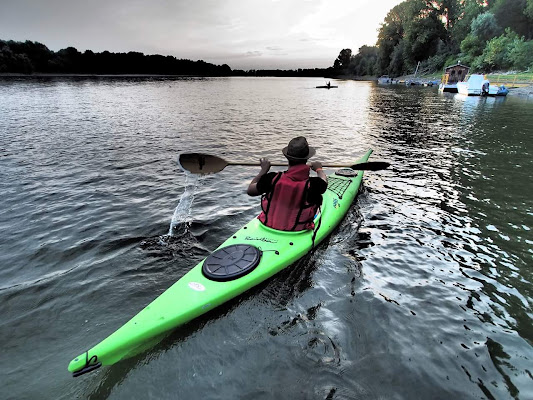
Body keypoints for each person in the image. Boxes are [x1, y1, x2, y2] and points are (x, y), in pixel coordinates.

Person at [247, 136, 327, 231]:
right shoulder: (314, 184)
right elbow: (324, 181)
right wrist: (319, 169)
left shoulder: (271, 179)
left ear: (287, 157)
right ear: (307, 158)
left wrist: (263, 171)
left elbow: (250, 190)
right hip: (297, 231)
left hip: (267, 226)